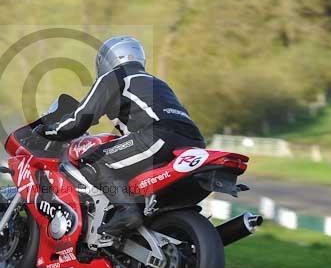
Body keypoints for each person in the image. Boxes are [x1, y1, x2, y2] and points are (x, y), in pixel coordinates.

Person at [36, 36, 205, 234]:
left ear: (107, 60)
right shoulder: (157, 82)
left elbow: (79, 119)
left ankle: (126, 211)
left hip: (157, 137)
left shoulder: (113, 78)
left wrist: (51, 130)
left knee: (92, 159)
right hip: (194, 141)